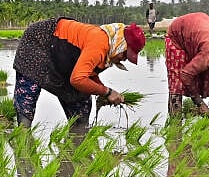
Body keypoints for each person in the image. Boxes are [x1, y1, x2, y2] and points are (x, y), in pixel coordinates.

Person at [12, 17, 146, 130]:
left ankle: (76, 147)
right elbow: (78, 79)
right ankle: (23, 144)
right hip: (40, 42)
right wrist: (107, 92)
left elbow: (89, 74)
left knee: (81, 111)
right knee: (27, 98)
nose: (124, 59)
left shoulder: (109, 50)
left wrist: (103, 90)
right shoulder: (100, 43)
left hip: (65, 59)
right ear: (121, 45)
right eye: (125, 54)